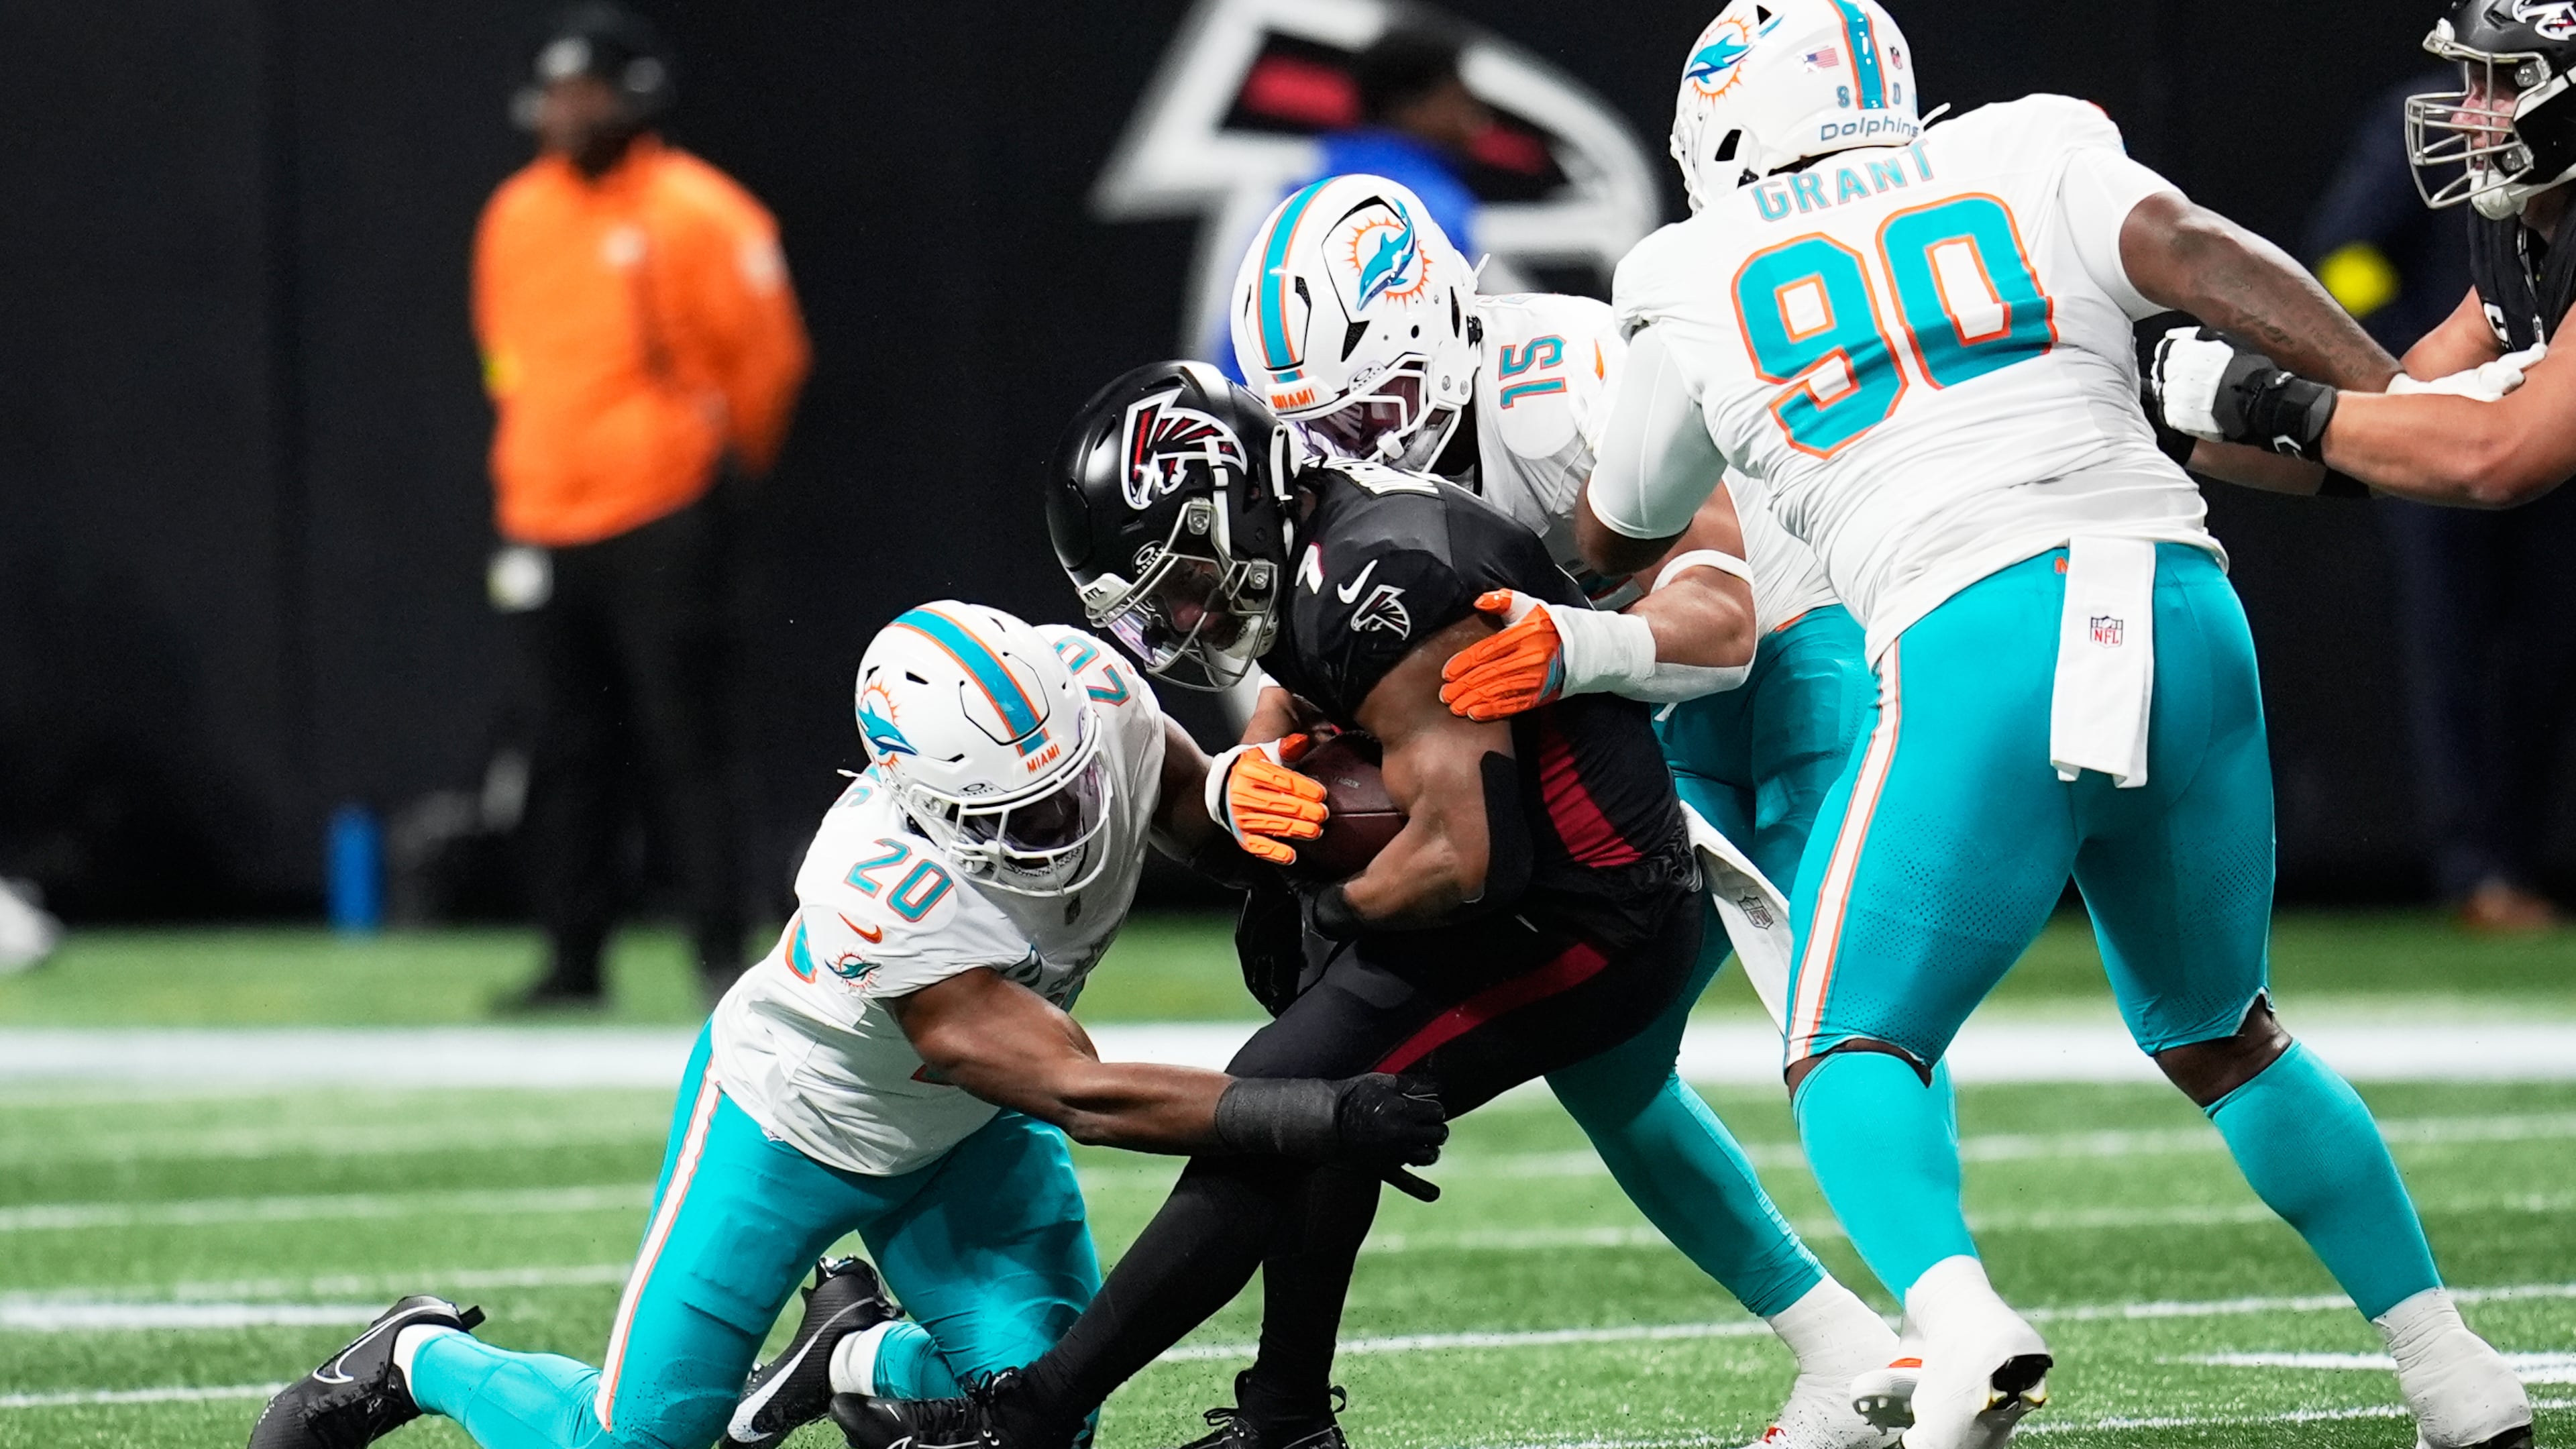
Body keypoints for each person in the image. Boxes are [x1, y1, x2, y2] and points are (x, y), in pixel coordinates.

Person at [1578, 3, 2531, 1447]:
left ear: (1723, 129)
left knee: (1846, 1042)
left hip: (1981, 631)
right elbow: (2205, 256)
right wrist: (2392, 399)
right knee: (2230, 1036)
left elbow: (1620, 518)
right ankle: (2452, 1370)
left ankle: (1957, 1326)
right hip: (2182, 601)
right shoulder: (2033, 143)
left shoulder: (1685, 267)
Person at [244, 602, 1446, 1449]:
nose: (1070, 816)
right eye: (1026, 811)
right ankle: (413, 1356)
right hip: (794, 1122)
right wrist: (1316, 1109)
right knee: (636, 1446)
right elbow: (1073, 1088)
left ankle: (847, 1357)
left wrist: (1264, 823)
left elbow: (1184, 802)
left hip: (964, 1129)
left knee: (1054, 1403)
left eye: (1070, 781)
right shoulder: (875, 880)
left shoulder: (1095, 700)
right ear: (927, 808)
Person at [840, 362, 1709, 1449]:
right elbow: (1312, 676)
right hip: (1519, 881)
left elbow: (1464, 856)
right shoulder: (1319, 545)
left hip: (1592, 913)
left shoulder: (1377, 574)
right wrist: (1266, 795)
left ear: (1235, 496)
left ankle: (1036, 1413)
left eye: (1185, 575)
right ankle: (1287, 1422)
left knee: (1273, 1097)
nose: (1187, 613)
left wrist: (1324, 903)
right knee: (1316, 1095)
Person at [1226, 172, 1904, 1449]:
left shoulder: (1566, 376)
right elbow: (1302, 662)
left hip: (1788, 654)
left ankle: (1947, 1325)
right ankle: (1847, 1353)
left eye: (1370, 405)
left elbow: (1725, 629)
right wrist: (1257, 761)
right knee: (1607, 1060)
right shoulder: (1331, 468)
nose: (1354, 444)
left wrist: (1569, 650)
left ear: (1439, 328)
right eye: (1322, 424)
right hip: (1615, 705)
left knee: (1854, 1014)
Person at [2152, 3, 2576, 932]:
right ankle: (2485, 869)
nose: (2468, 111)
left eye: (2502, 84)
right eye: (2470, 80)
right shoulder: (2513, 237)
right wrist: (2174, 421)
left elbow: (2495, 457)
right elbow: (2407, 423)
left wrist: (2270, 401)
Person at [474, 4, 810, 1007]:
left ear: (634, 100)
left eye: (588, 93)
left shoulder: (701, 213)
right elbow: (505, 358)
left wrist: (704, 462)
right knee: (564, 748)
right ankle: (573, 955)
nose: (567, 113)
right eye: (558, 93)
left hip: (665, 512)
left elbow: (770, 363)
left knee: (688, 742)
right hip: (545, 516)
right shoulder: (516, 216)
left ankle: (719, 949)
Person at [1205, 22, 1488, 381]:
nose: (1476, 118)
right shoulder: (1426, 202)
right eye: (1457, 99)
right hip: (1331, 417)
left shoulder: (1309, 177)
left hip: (1251, 397)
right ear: (1411, 106)